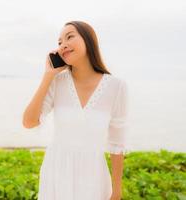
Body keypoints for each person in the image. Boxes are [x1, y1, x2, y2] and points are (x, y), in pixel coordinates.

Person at [22, 20, 129, 200]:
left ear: (89, 40)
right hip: (56, 173)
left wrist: (116, 191)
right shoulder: (57, 82)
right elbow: (29, 122)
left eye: (69, 37)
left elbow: (117, 143)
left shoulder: (116, 87)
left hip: (94, 177)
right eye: (59, 42)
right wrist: (48, 76)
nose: (63, 45)